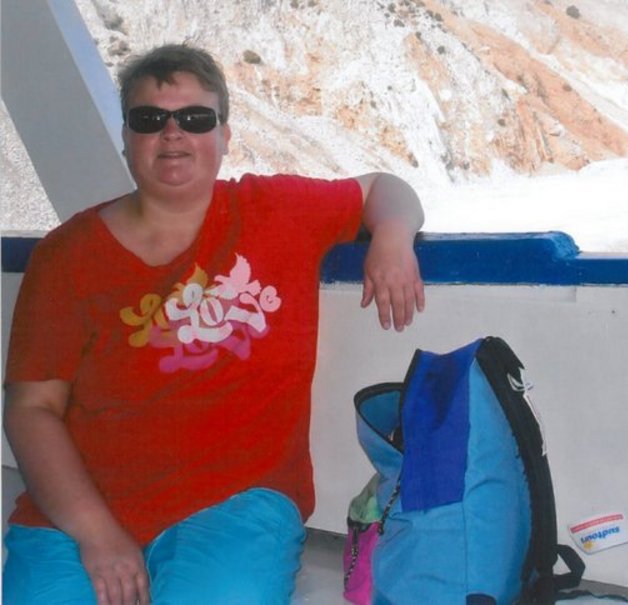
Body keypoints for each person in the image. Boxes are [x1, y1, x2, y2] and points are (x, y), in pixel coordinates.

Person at [2, 43, 425, 605]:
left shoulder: (275, 211)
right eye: (149, 119)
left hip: (235, 502)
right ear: (126, 136)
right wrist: (96, 533)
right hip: (81, 508)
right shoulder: (67, 256)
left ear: (224, 135)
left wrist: (392, 239)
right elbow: (32, 408)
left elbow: (383, 189)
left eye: (196, 118)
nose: (172, 133)